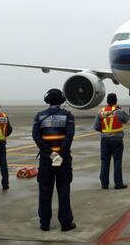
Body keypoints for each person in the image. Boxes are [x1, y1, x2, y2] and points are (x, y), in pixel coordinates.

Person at [32, 89, 76, 232]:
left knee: (45, 191)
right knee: (63, 191)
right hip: (63, 161)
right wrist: (59, 155)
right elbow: (69, 137)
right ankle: (65, 223)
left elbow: (36, 137)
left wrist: (50, 154)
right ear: (62, 100)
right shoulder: (68, 116)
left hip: (46, 161)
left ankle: (45, 223)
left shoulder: (40, 116)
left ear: (47, 100)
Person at [94, 93, 129, 190]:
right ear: (116, 101)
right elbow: (126, 120)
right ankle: (118, 183)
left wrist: (105, 132)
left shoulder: (101, 112)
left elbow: (96, 127)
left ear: (107, 101)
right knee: (117, 162)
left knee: (105, 162)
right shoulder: (119, 111)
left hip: (105, 140)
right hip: (117, 140)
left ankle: (104, 184)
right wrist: (120, 109)